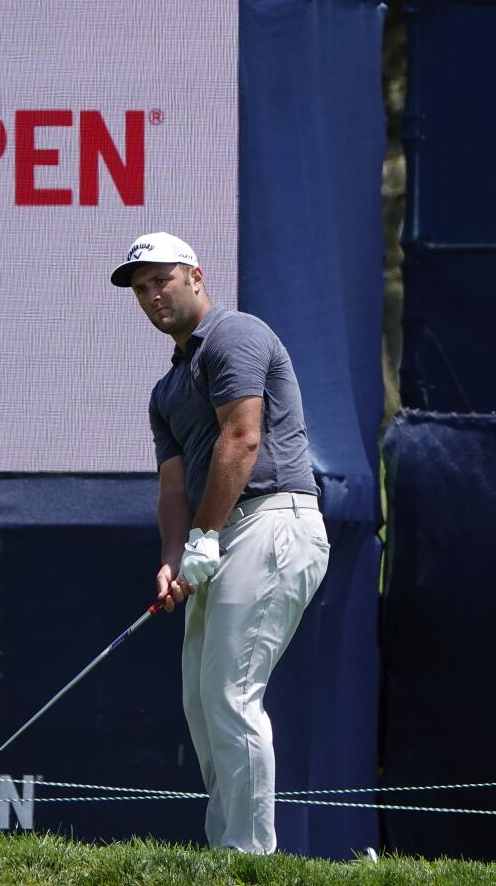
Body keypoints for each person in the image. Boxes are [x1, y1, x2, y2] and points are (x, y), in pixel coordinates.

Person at [110, 231, 331, 854]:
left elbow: (243, 439)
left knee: (231, 692)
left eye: (161, 280)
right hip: (221, 534)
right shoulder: (166, 390)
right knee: (203, 703)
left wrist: (205, 538)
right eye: (140, 287)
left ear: (196, 276)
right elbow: (174, 488)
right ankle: (224, 854)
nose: (152, 295)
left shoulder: (235, 335)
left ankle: (249, 858)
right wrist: (174, 557)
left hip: (274, 520)